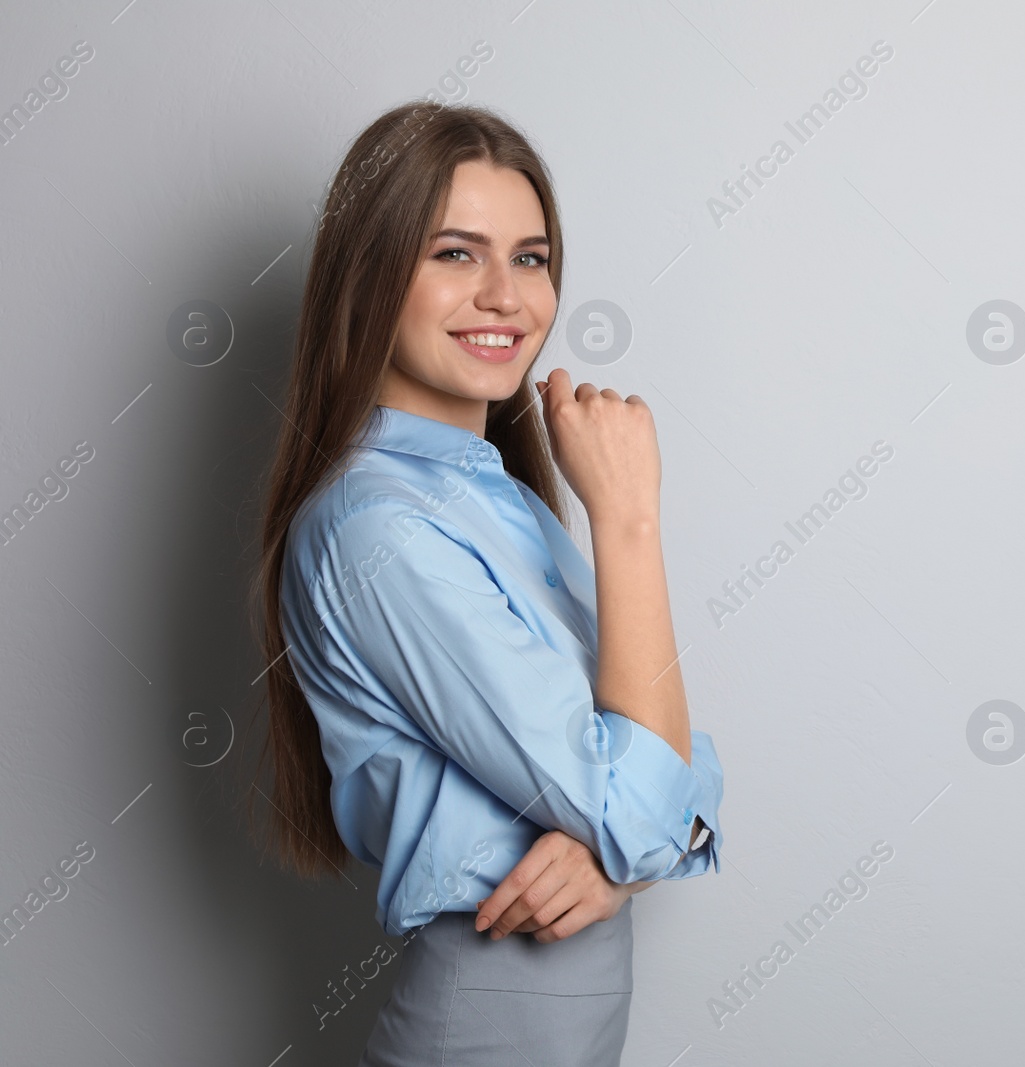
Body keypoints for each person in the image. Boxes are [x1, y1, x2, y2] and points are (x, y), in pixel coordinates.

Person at [250, 99, 726, 1066]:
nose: (507, 296)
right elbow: (636, 791)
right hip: (485, 1017)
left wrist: (625, 853)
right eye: (455, 253)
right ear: (370, 277)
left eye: (532, 257)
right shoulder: (379, 527)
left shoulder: (491, 495)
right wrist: (629, 521)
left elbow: (663, 757)